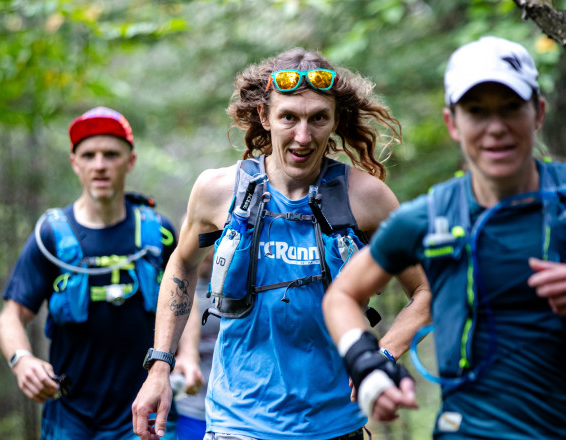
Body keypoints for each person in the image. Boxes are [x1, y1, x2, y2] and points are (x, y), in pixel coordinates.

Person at [131, 47, 431, 440]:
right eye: (289, 117)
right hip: (237, 424)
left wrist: (380, 357)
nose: (303, 137)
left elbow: (427, 289)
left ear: (335, 119)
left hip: (335, 425)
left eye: (318, 118)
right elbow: (183, 266)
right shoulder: (218, 192)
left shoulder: (367, 199)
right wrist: (160, 365)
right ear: (264, 116)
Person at [323, 36, 566, 439]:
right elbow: (341, 296)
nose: (496, 128)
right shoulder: (428, 217)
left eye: (511, 108)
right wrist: (367, 365)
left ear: (538, 112)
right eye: (476, 111)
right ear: (453, 122)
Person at [0, 106, 177, 439]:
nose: (100, 165)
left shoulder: (158, 233)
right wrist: (21, 359)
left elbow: (184, 301)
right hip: (69, 414)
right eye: (89, 155)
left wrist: (189, 357)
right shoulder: (50, 237)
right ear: (74, 162)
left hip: (146, 409)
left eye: (111, 154)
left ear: (130, 161)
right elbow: (11, 315)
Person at [171, 249, 218, 439]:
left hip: (234, 412)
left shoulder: (238, 290)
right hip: (188, 410)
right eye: (198, 241)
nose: (204, 250)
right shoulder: (170, 298)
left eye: (210, 241)